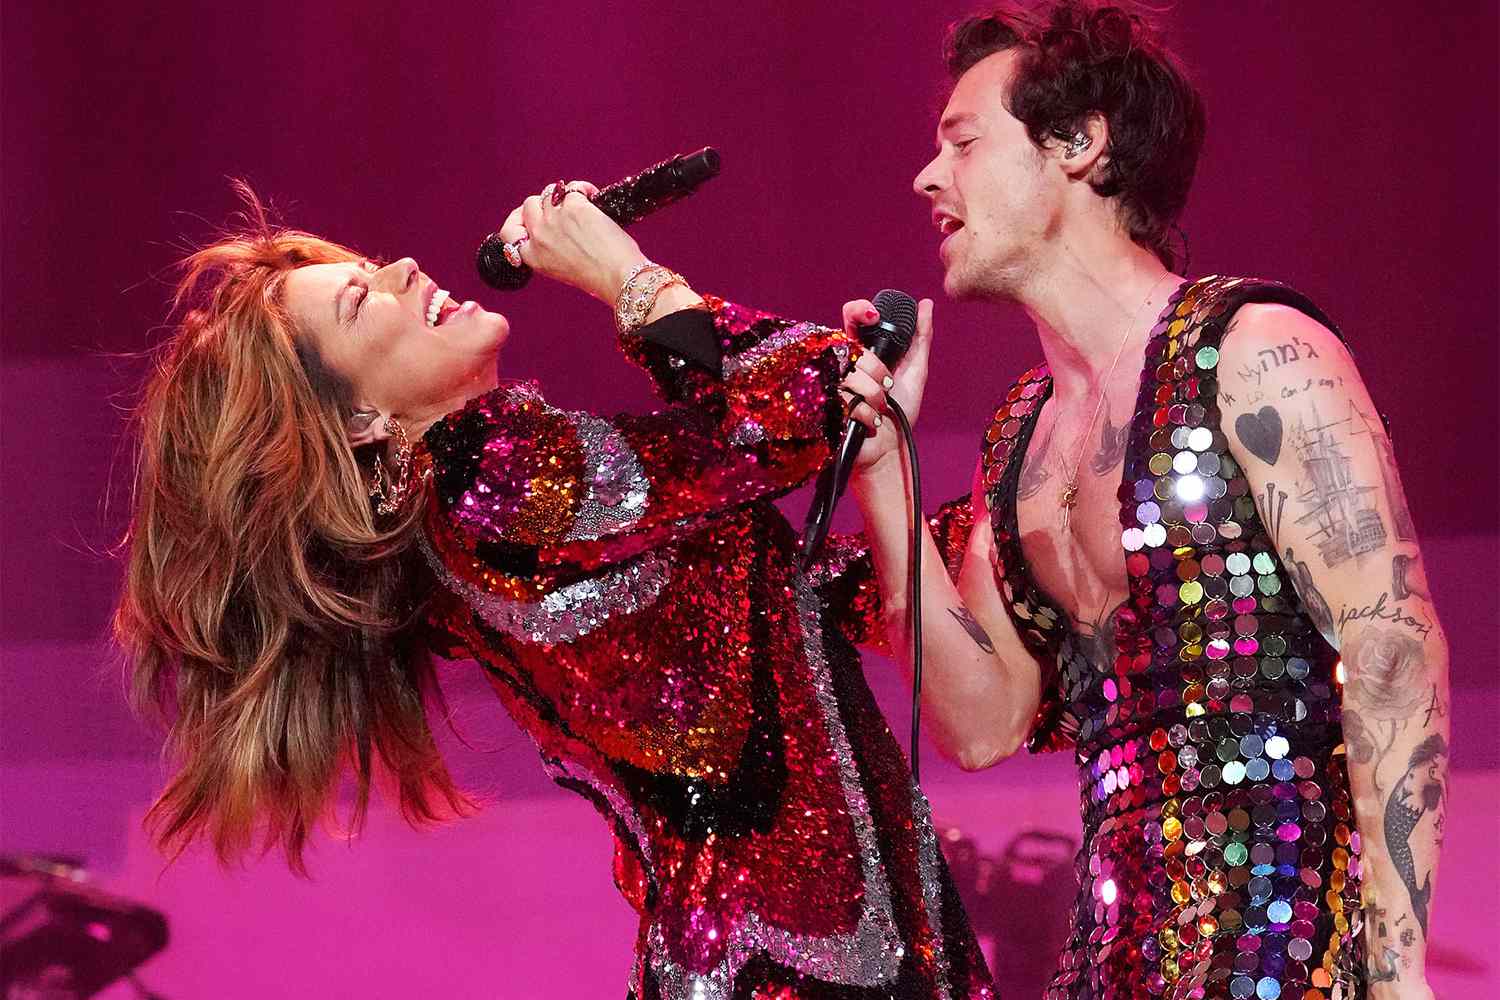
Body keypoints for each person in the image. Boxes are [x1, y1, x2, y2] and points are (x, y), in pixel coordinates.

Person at [112, 181, 995, 999]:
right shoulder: (484, 474)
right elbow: (795, 404)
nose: (404, 269)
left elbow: (792, 595)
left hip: (818, 951)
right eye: (362, 297)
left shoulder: (480, 515)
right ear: (357, 422)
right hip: (789, 964)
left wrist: (1003, 533)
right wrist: (623, 273)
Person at [836, 4, 1448, 998]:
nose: (928, 177)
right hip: (1109, 959)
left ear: (1079, 144)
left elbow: (1391, 648)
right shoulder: (1021, 433)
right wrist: (884, 474)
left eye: (961, 142)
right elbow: (980, 725)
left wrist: (1397, 968)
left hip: (1295, 943)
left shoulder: (1257, 353)